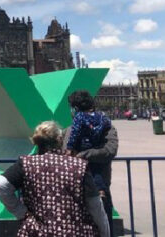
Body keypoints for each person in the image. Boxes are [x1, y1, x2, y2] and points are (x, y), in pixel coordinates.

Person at [0, 121, 110, 237]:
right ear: (59, 139)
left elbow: (1, 184)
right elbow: (95, 206)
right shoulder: (78, 165)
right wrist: (105, 233)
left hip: (37, 232)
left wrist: (21, 213)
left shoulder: (26, 164)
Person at [65, 91, 118, 236]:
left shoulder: (108, 128)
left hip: (98, 188)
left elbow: (110, 150)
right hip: (73, 192)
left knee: (103, 228)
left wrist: (83, 155)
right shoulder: (67, 131)